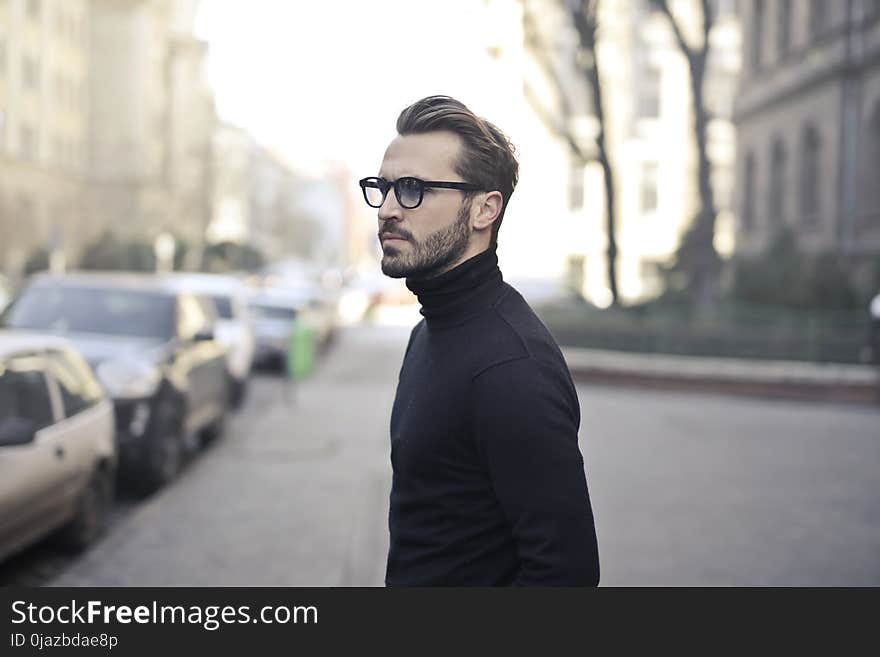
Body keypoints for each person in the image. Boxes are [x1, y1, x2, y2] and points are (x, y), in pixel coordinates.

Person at [360, 95, 600, 586]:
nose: (386, 209)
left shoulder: (512, 366)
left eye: (411, 189)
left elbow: (566, 575)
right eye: (382, 188)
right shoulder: (428, 331)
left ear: (483, 210)